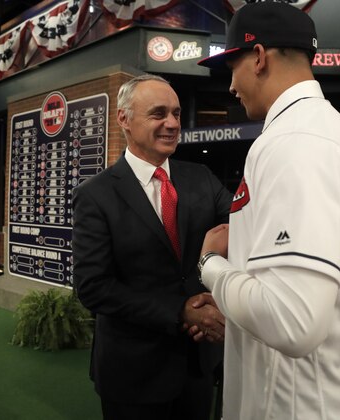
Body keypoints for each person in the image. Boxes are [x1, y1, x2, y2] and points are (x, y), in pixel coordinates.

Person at [196, 2, 340, 419]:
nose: (230, 86)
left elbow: (292, 322)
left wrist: (211, 265)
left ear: (259, 57)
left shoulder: (297, 139)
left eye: (233, 66)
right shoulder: (319, 129)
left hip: (305, 406)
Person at [72, 74, 233, 420]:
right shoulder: (95, 196)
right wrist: (180, 311)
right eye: (159, 114)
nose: (173, 123)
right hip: (132, 373)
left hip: (197, 365)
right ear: (124, 119)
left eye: (176, 113)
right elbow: (93, 287)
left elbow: (246, 226)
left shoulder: (201, 177)